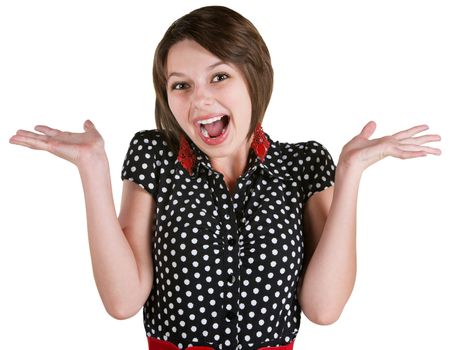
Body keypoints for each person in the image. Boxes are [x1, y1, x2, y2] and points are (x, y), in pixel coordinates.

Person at [9, 5, 441, 350]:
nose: (200, 99)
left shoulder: (304, 164)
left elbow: (324, 309)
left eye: (219, 76)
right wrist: (92, 169)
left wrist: (350, 174)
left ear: (253, 78)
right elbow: (123, 302)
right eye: (181, 85)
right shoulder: (154, 156)